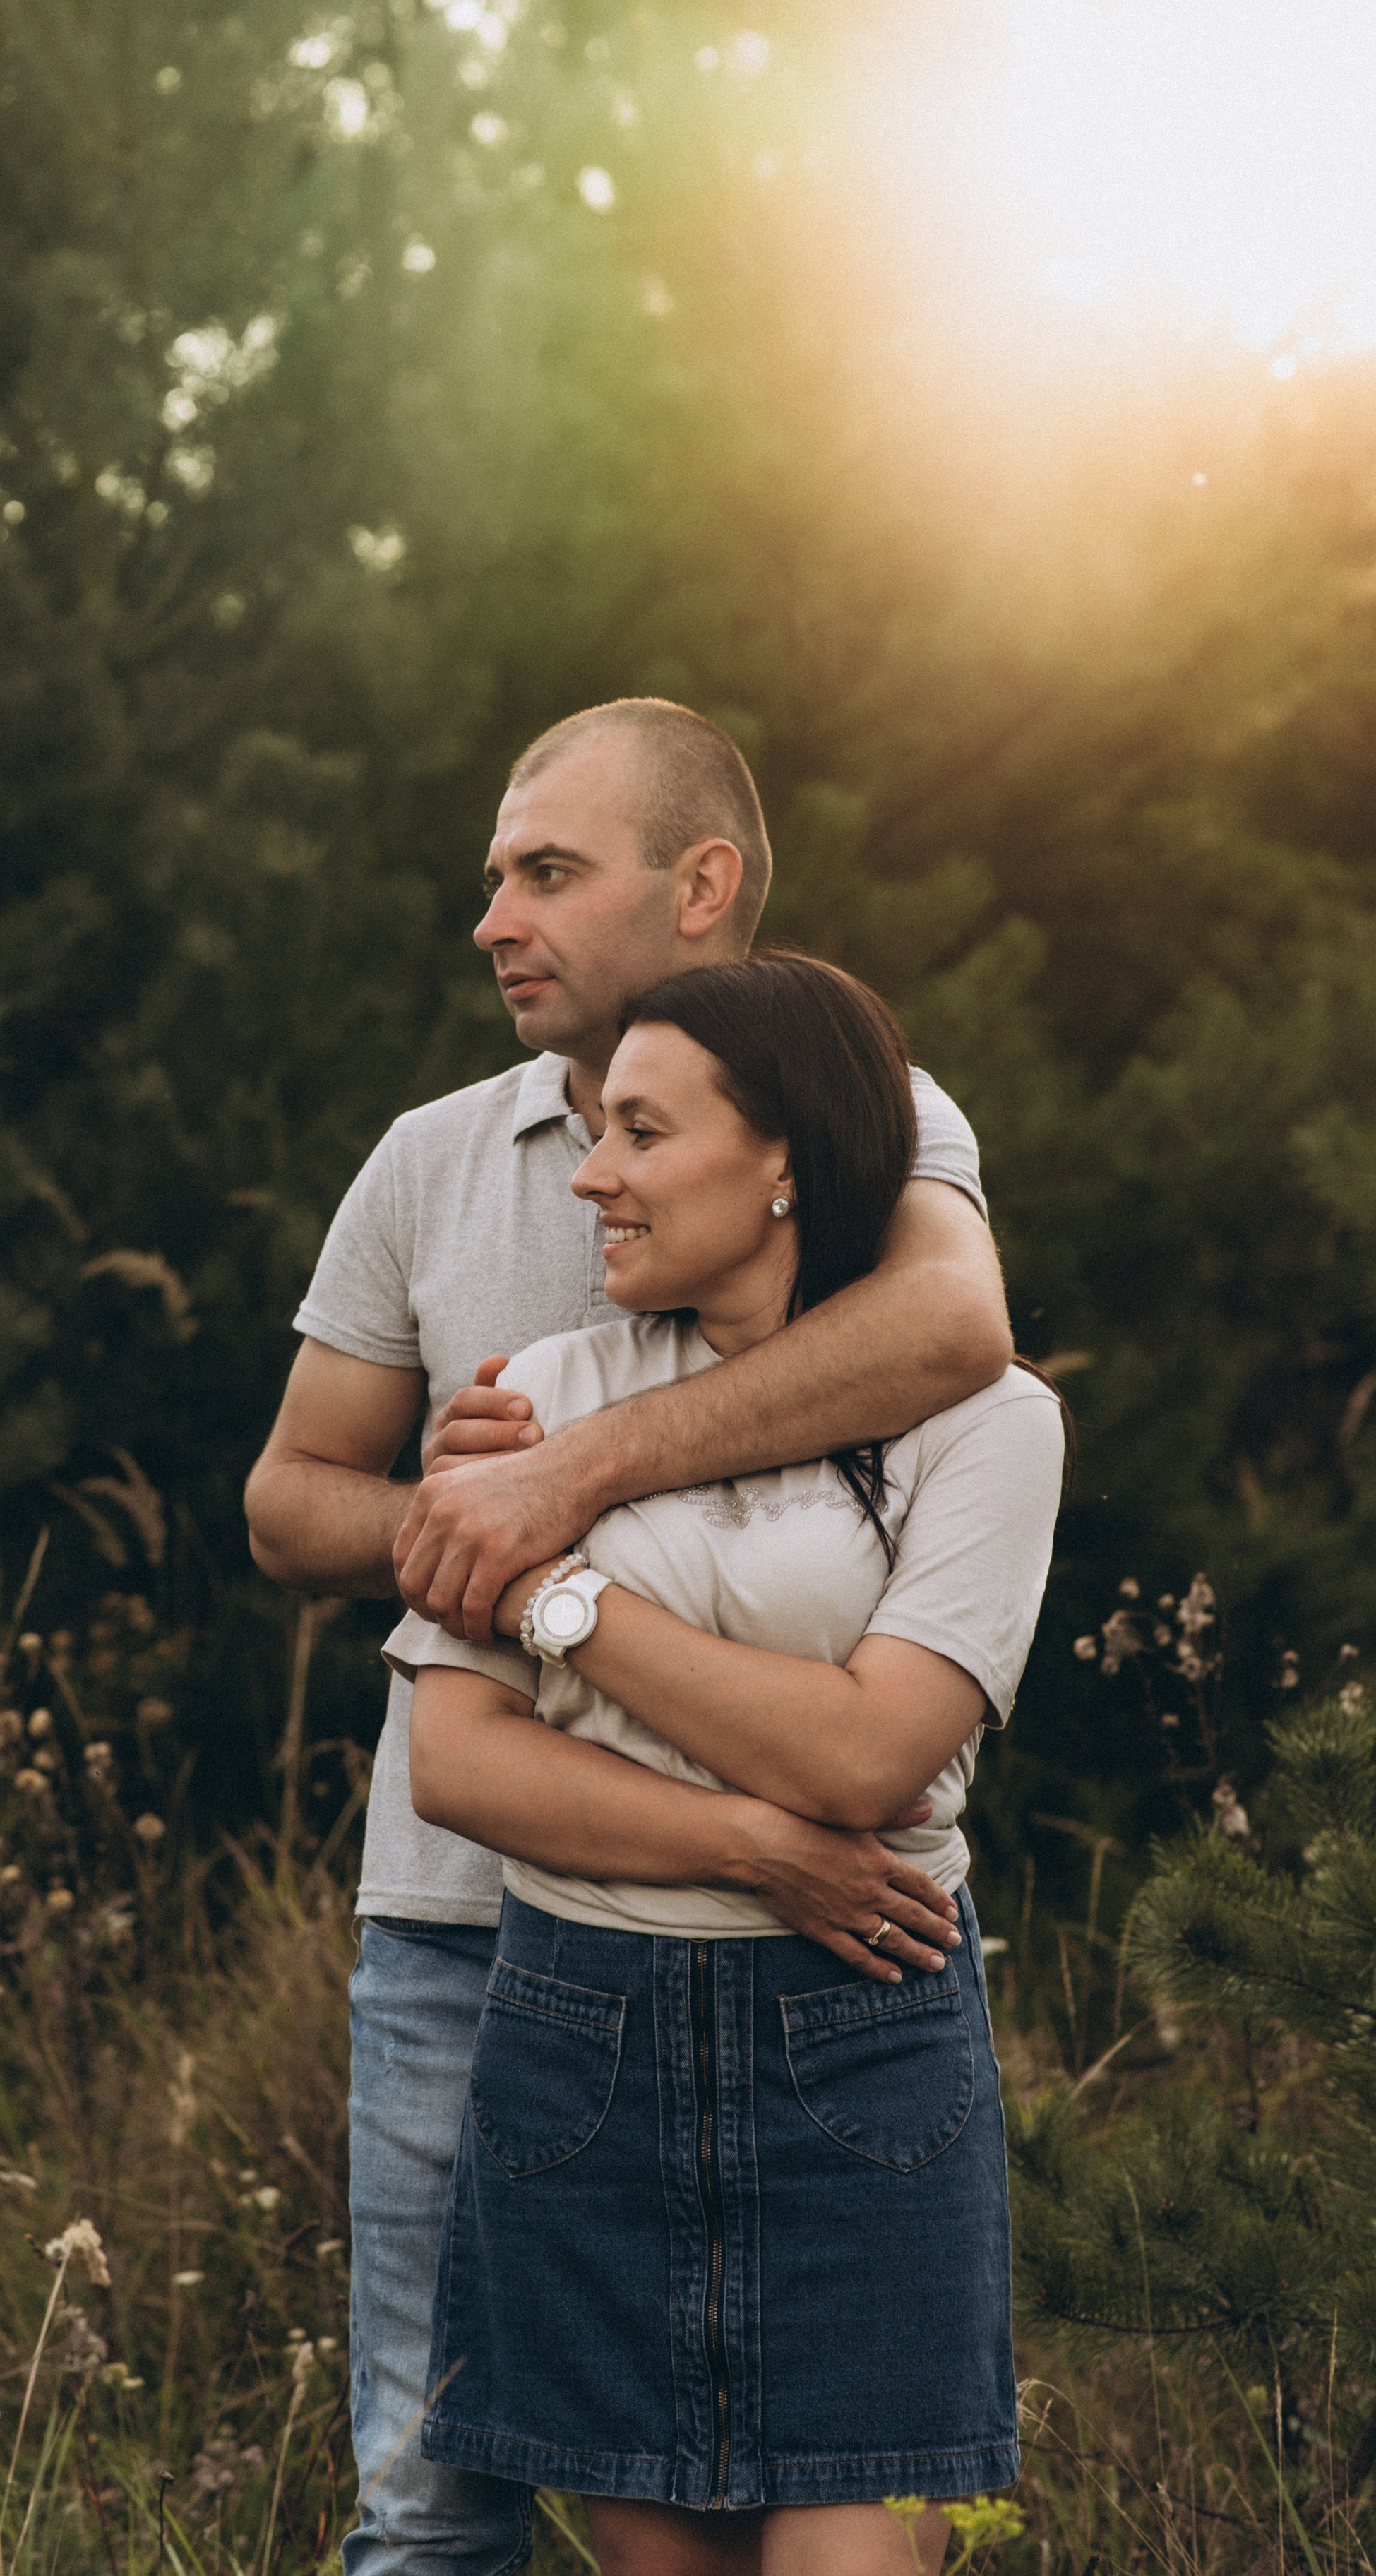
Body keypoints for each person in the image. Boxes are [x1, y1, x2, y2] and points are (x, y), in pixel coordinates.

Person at [244, 699, 1015, 2576]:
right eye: (494, 875)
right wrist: (465, 1522)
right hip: (465, 1922)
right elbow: (290, 1502)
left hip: (815, 1937)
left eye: (545, 873)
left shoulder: (876, 1119)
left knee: (828, 2479)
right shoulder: (432, 1158)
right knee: (433, 2509)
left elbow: (951, 1337)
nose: (493, 917)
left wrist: (563, 1481)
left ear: (704, 885)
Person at [400, 952, 1065, 2575]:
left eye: (638, 1129)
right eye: (592, 1128)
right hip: (580, 2048)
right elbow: (458, 1766)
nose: (593, 1173)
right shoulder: (532, 1398)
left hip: (860, 2054)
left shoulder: (986, 1422)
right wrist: (751, 1845)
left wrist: (561, 1594)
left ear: (783, 1159)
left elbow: (866, 1757)